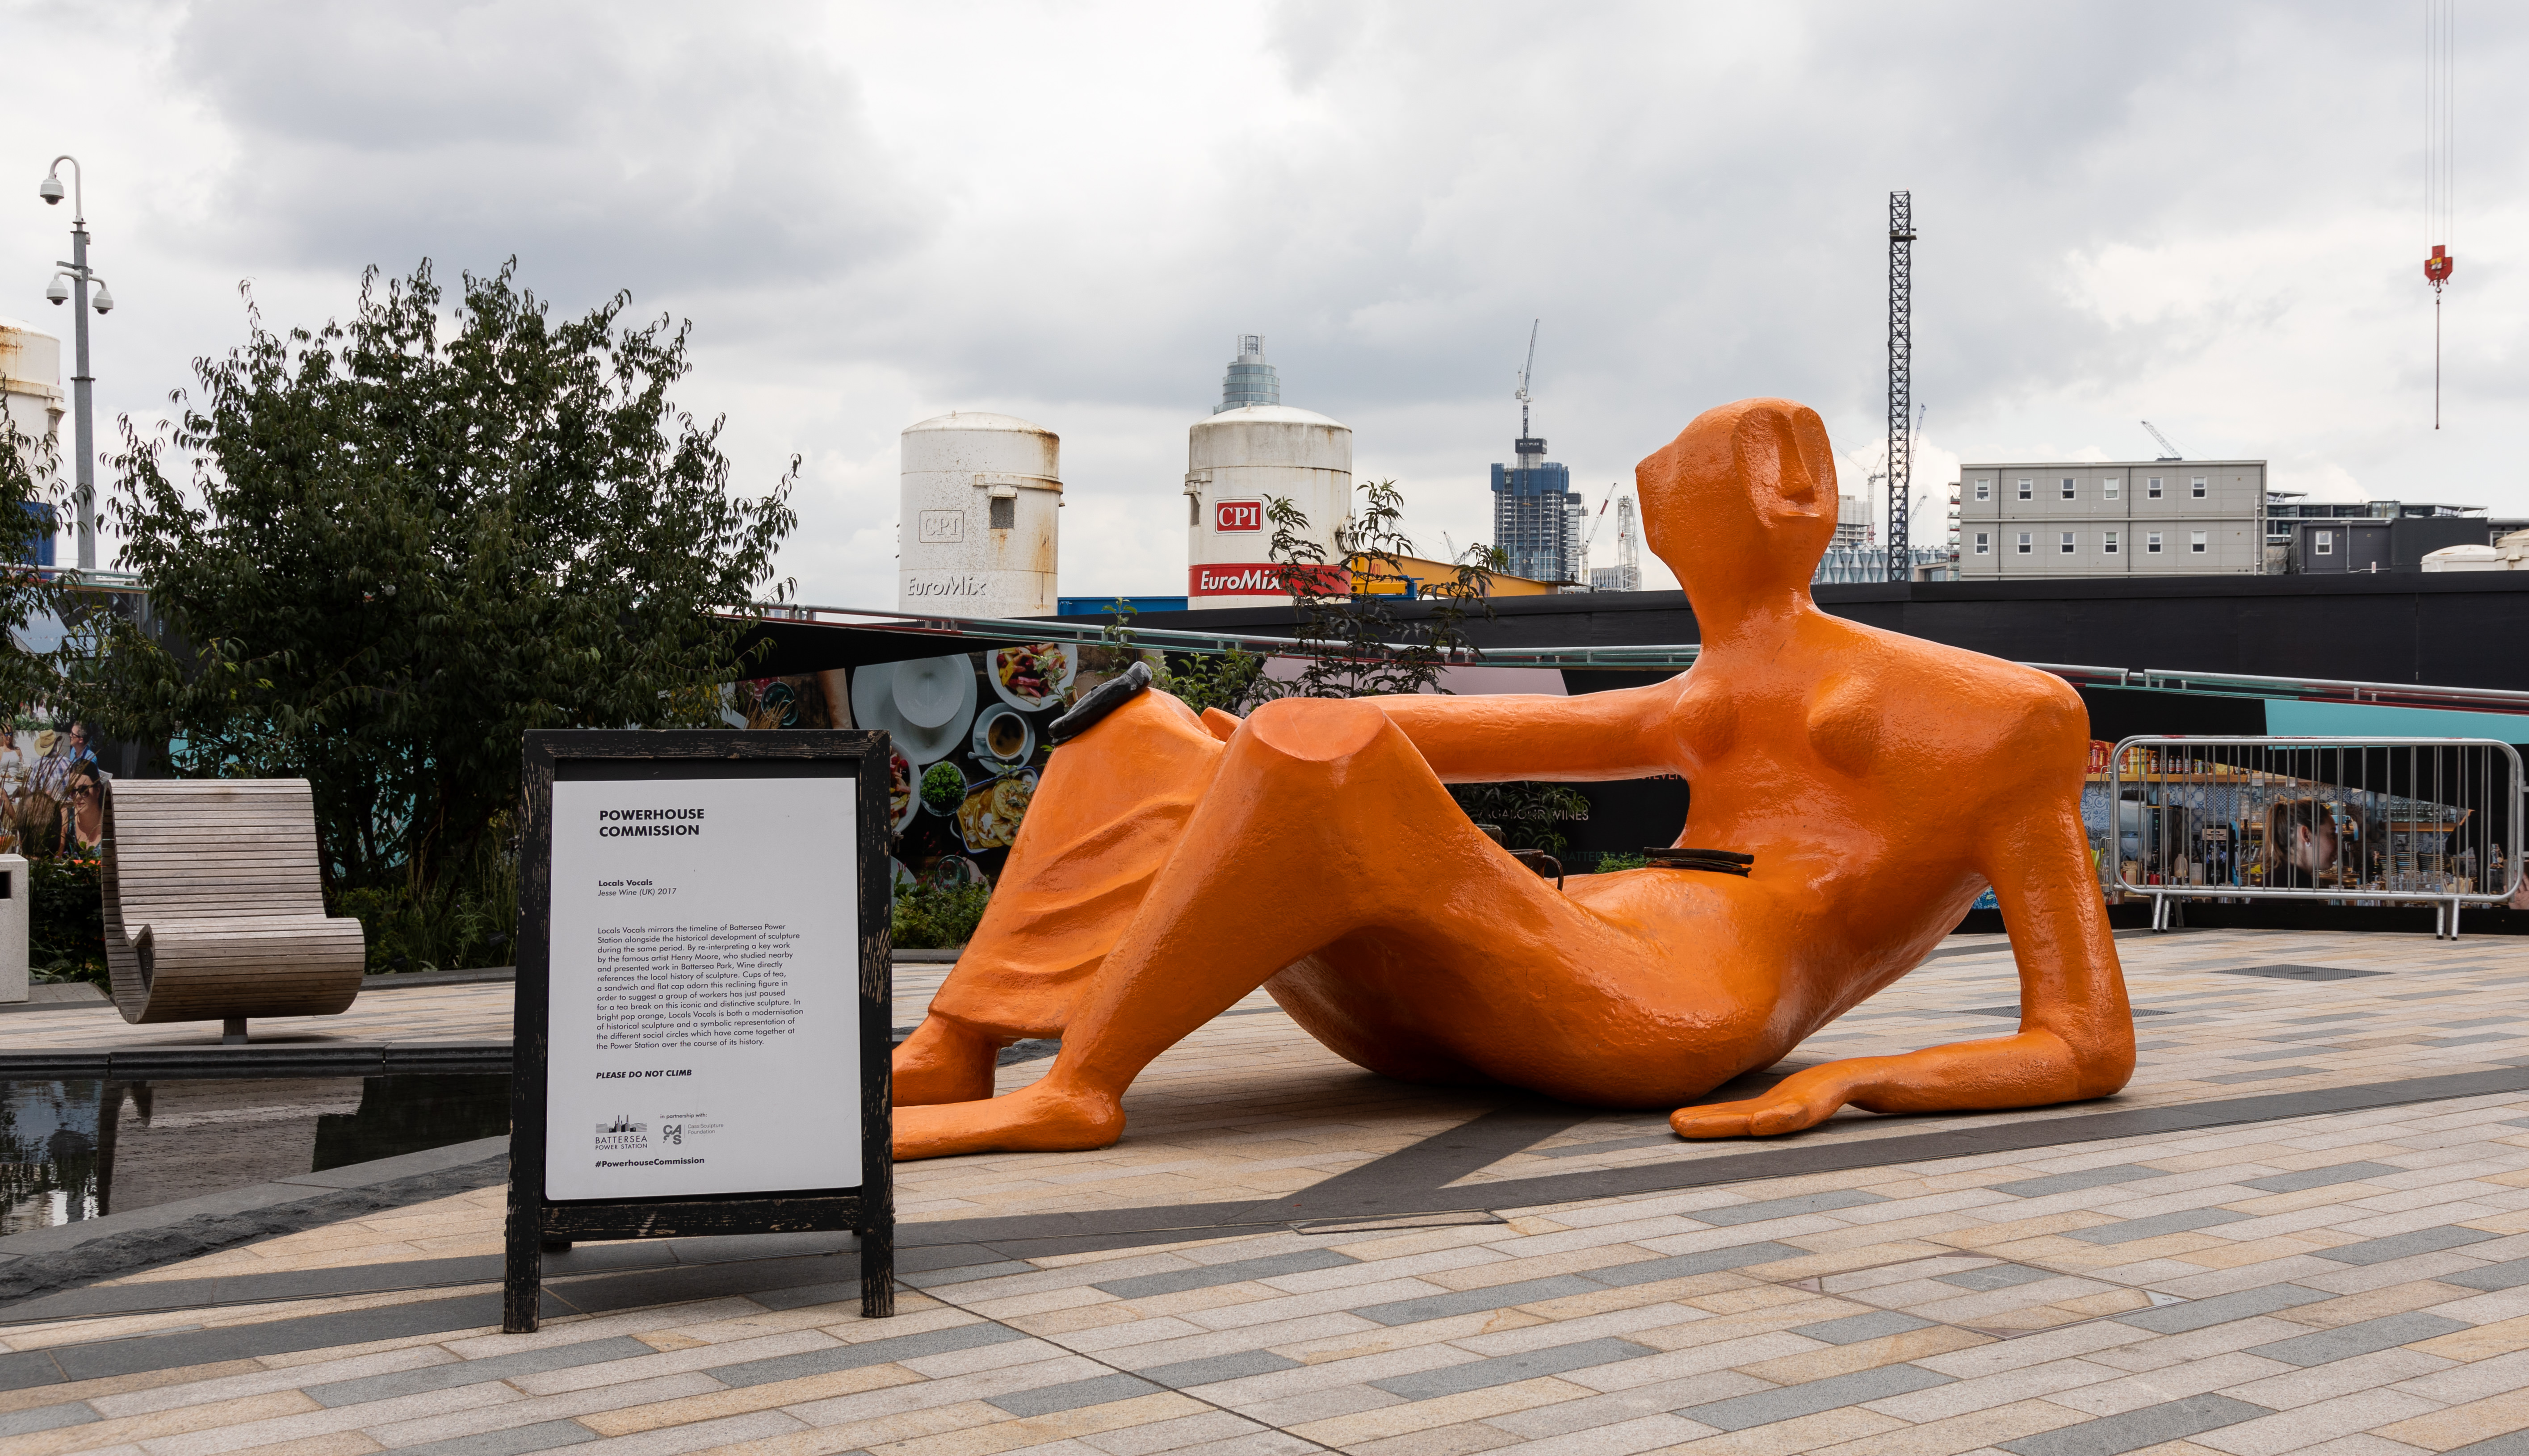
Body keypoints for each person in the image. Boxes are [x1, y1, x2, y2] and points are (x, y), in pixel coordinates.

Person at [890, 398, 2133, 1160]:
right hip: (1515, 975)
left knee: (1316, 764)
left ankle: (1076, 1089)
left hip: (1671, 1008)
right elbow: (1459, 733)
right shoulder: (1706, 692)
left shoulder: (2006, 716)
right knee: (1142, 729)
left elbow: (2083, 1041)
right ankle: (959, 1041)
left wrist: (1852, 1078)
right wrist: (1241, 738)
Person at [59, 766, 102, 855]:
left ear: (98, 790)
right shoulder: (66, 819)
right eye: (73, 791)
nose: (77, 796)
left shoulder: (111, 821)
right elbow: (56, 858)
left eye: (84, 790)